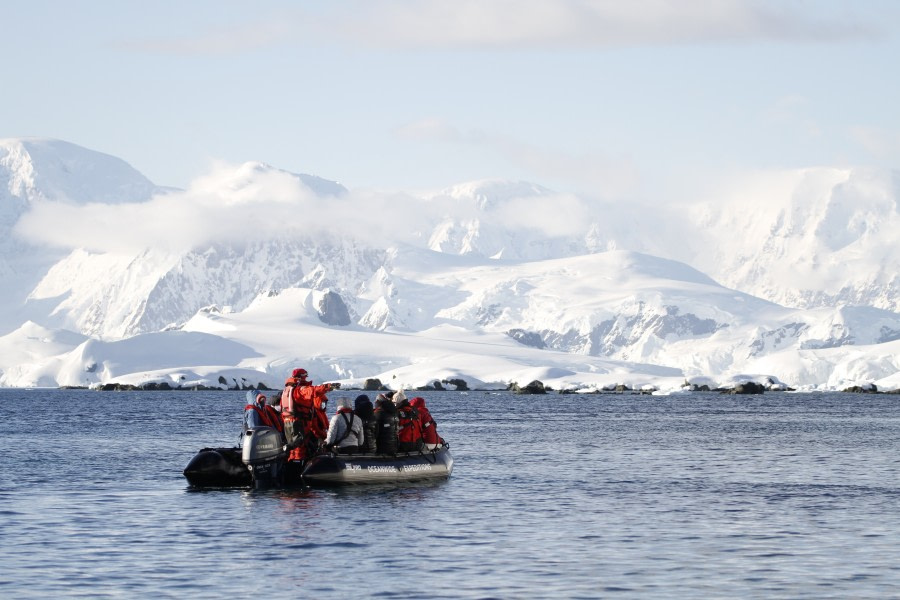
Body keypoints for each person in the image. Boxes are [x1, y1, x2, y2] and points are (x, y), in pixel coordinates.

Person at [281, 368, 340, 462]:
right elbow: (313, 391)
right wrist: (328, 387)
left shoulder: (287, 390)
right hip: (300, 423)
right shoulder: (300, 390)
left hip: (288, 423)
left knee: (293, 448)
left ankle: (290, 465)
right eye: (305, 376)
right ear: (301, 377)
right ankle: (297, 470)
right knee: (299, 449)